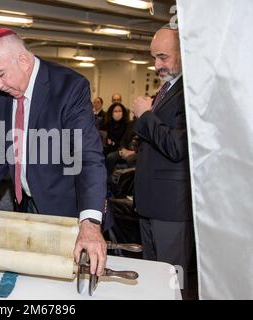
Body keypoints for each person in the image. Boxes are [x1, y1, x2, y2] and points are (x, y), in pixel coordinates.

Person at [0, 28, 108, 276]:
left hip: (64, 210)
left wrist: (90, 222)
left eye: (0, 74)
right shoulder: (5, 94)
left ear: (23, 60)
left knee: (63, 278)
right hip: (24, 203)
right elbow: (2, 154)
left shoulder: (69, 87)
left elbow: (88, 158)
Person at [132, 25, 194, 298]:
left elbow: (176, 146)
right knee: (152, 276)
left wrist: (145, 114)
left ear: (184, 53)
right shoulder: (167, 89)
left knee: (171, 278)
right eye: (154, 57)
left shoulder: (191, 92)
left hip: (171, 206)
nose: (156, 65)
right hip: (150, 202)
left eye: (163, 57)